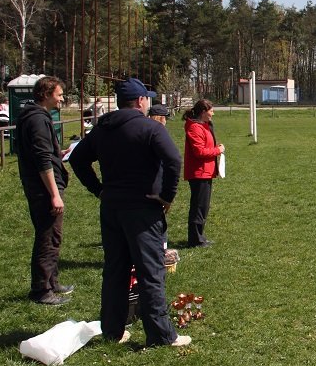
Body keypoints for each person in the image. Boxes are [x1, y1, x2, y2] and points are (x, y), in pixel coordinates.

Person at [69, 77, 189, 347]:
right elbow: (173, 160)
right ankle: (161, 334)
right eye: (147, 97)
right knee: (150, 271)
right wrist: (167, 196)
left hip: (111, 207)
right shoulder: (149, 128)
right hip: (143, 210)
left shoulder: (103, 128)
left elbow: (77, 158)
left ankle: (113, 329)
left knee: (115, 270)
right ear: (140, 101)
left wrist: (98, 189)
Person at [14, 75, 71, 305]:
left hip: (44, 186)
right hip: (43, 189)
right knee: (47, 236)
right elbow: (41, 159)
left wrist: (61, 154)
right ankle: (41, 290)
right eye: (58, 95)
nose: (61, 99)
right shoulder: (37, 120)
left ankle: (52, 281)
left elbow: (46, 153)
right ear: (46, 94)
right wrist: (54, 194)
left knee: (54, 235)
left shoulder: (35, 117)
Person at [183, 99, 225, 248]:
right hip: (198, 173)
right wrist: (217, 150)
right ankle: (195, 240)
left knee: (203, 207)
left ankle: (199, 237)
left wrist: (215, 147)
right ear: (203, 112)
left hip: (206, 172)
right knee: (198, 207)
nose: (213, 113)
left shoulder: (204, 126)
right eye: (211, 110)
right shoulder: (195, 128)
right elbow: (199, 151)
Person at [149, 103, 180, 269]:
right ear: (161, 118)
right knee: (158, 225)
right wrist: (167, 194)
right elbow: (173, 161)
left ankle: (160, 254)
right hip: (156, 188)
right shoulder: (157, 133)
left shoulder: (147, 131)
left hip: (153, 186)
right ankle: (161, 256)